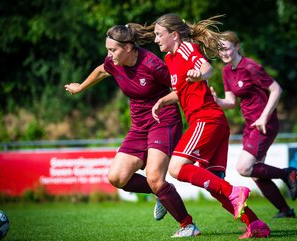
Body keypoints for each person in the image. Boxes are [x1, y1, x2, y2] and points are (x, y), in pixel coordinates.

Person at [64, 24, 199, 237]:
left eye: (113, 50)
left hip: (163, 120)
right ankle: (162, 193)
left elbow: (180, 89)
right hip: (139, 126)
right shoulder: (113, 63)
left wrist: (163, 102)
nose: (109, 55)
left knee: (154, 177)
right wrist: (80, 87)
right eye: (107, 50)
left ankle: (188, 225)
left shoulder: (152, 64)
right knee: (117, 177)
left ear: (128, 48)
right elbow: (101, 70)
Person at [150, 13, 270, 239]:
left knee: (176, 168)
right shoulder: (170, 59)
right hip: (212, 122)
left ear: (174, 35)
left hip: (206, 119)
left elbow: (207, 68)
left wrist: (200, 73)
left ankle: (235, 191)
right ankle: (256, 224)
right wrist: (163, 101)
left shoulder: (185, 48)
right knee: (213, 184)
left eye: (159, 34)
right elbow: (183, 90)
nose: (156, 39)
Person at [210, 30, 297, 218]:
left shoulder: (250, 67)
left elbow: (276, 89)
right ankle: (285, 210)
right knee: (257, 173)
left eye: (226, 48)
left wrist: (264, 117)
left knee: (244, 168)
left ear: (236, 46)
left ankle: (286, 174)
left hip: (264, 124)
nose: (223, 53)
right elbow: (231, 102)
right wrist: (217, 100)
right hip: (251, 125)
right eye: (220, 50)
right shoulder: (227, 71)